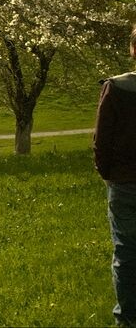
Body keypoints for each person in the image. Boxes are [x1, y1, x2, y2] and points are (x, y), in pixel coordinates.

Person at [96, 25, 136, 327]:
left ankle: (128, 317)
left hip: (124, 181)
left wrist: (106, 174)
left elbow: (102, 139)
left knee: (126, 251)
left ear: (133, 50)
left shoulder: (117, 87)